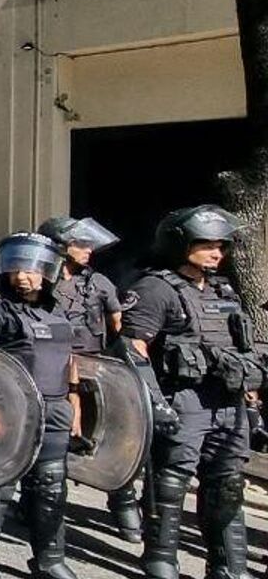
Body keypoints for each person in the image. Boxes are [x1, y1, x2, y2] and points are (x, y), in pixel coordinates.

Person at [120, 206, 261, 579]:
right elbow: (132, 348)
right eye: (207, 244)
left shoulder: (223, 289)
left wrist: (251, 400)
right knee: (170, 483)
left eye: (221, 245)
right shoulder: (154, 288)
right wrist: (156, 403)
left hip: (228, 401)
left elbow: (240, 349)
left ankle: (229, 566)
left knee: (228, 485)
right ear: (181, 245)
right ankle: (161, 559)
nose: (218, 253)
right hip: (185, 400)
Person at [0, 233, 81, 579]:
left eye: (31, 269)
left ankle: (50, 558)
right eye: (16, 269)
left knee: (51, 484)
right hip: (9, 408)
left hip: (55, 408)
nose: (24, 276)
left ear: (48, 271)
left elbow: (72, 360)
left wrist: (75, 403)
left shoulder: (60, 311)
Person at [37, 215, 142, 541]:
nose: (87, 250)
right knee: (47, 440)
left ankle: (124, 505)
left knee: (115, 437)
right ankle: (35, 504)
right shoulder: (39, 279)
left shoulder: (99, 282)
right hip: (50, 368)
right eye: (79, 244)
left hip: (95, 370)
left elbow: (119, 324)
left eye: (88, 243)